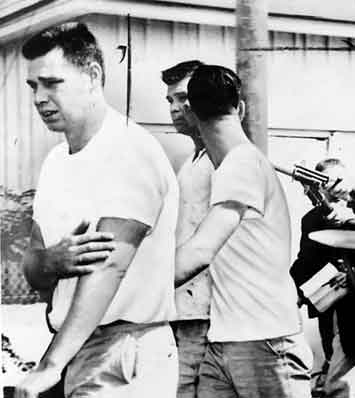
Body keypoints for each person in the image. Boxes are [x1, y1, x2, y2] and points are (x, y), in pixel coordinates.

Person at [16, 22, 179, 398]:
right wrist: (53, 262)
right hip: (74, 347)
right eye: (33, 86)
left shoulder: (129, 150)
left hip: (121, 349)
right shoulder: (56, 161)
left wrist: (49, 366)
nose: (39, 98)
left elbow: (109, 265)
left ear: (92, 76)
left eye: (52, 83)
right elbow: (33, 265)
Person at [174, 64, 312, 398]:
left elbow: (201, 251)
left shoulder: (241, 164)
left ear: (191, 114)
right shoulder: (227, 166)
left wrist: (127, 286)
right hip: (224, 343)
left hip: (265, 341)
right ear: (241, 108)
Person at [290, 158, 355, 398]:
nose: (333, 187)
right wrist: (289, 293)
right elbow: (305, 263)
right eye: (325, 182)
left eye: (339, 180)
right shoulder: (313, 219)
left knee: (340, 384)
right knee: (345, 378)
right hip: (330, 308)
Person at [162, 59, 213, 398]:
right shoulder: (191, 163)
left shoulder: (220, 161)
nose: (175, 108)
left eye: (183, 97)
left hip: (209, 309)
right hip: (182, 303)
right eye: (170, 100)